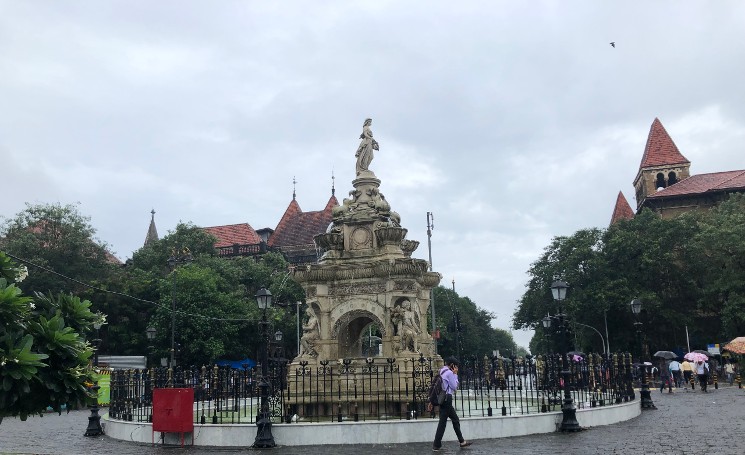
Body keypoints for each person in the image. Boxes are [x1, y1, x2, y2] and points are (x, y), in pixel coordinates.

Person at [433, 357, 471, 451]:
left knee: (455, 419)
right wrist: (455, 374)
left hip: (443, 398)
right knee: (443, 422)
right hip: (447, 398)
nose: (456, 368)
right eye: (455, 366)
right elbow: (454, 386)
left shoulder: (441, 370)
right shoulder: (450, 373)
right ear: (452, 365)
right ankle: (436, 445)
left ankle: (462, 441)